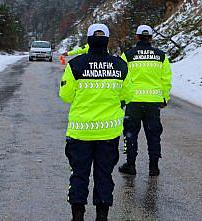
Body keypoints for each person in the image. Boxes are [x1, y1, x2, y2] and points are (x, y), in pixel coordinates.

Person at [59, 24, 133, 221]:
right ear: (107, 40)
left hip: (80, 133)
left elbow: (65, 96)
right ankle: (102, 216)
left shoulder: (75, 65)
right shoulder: (120, 66)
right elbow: (128, 94)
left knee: (79, 175)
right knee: (104, 176)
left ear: (88, 40)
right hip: (108, 134)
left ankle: (78, 216)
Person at [118, 25, 172, 176]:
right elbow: (166, 80)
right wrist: (164, 98)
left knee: (130, 134)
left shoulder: (128, 55)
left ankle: (130, 165)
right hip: (153, 103)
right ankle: (153, 168)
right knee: (153, 135)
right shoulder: (161, 56)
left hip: (133, 102)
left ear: (137, 37)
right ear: (151, 38)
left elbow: (122, 79)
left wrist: (122, 100)